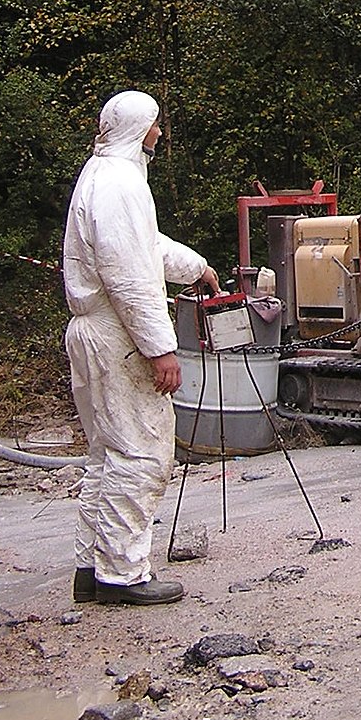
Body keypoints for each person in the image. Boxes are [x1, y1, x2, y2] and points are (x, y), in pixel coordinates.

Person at [62, 90, 219, 605]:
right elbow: (130, 278)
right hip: (117, 339)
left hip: (95, 332)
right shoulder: (121, 186)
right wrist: (160, 349)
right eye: (155, 124)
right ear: (140, 128)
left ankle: (93, 566)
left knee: (105, 456)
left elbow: (145, 247)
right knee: (142, 453)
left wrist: (197, 268)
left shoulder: (103, 176)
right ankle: (124, 574)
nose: (159, 133)